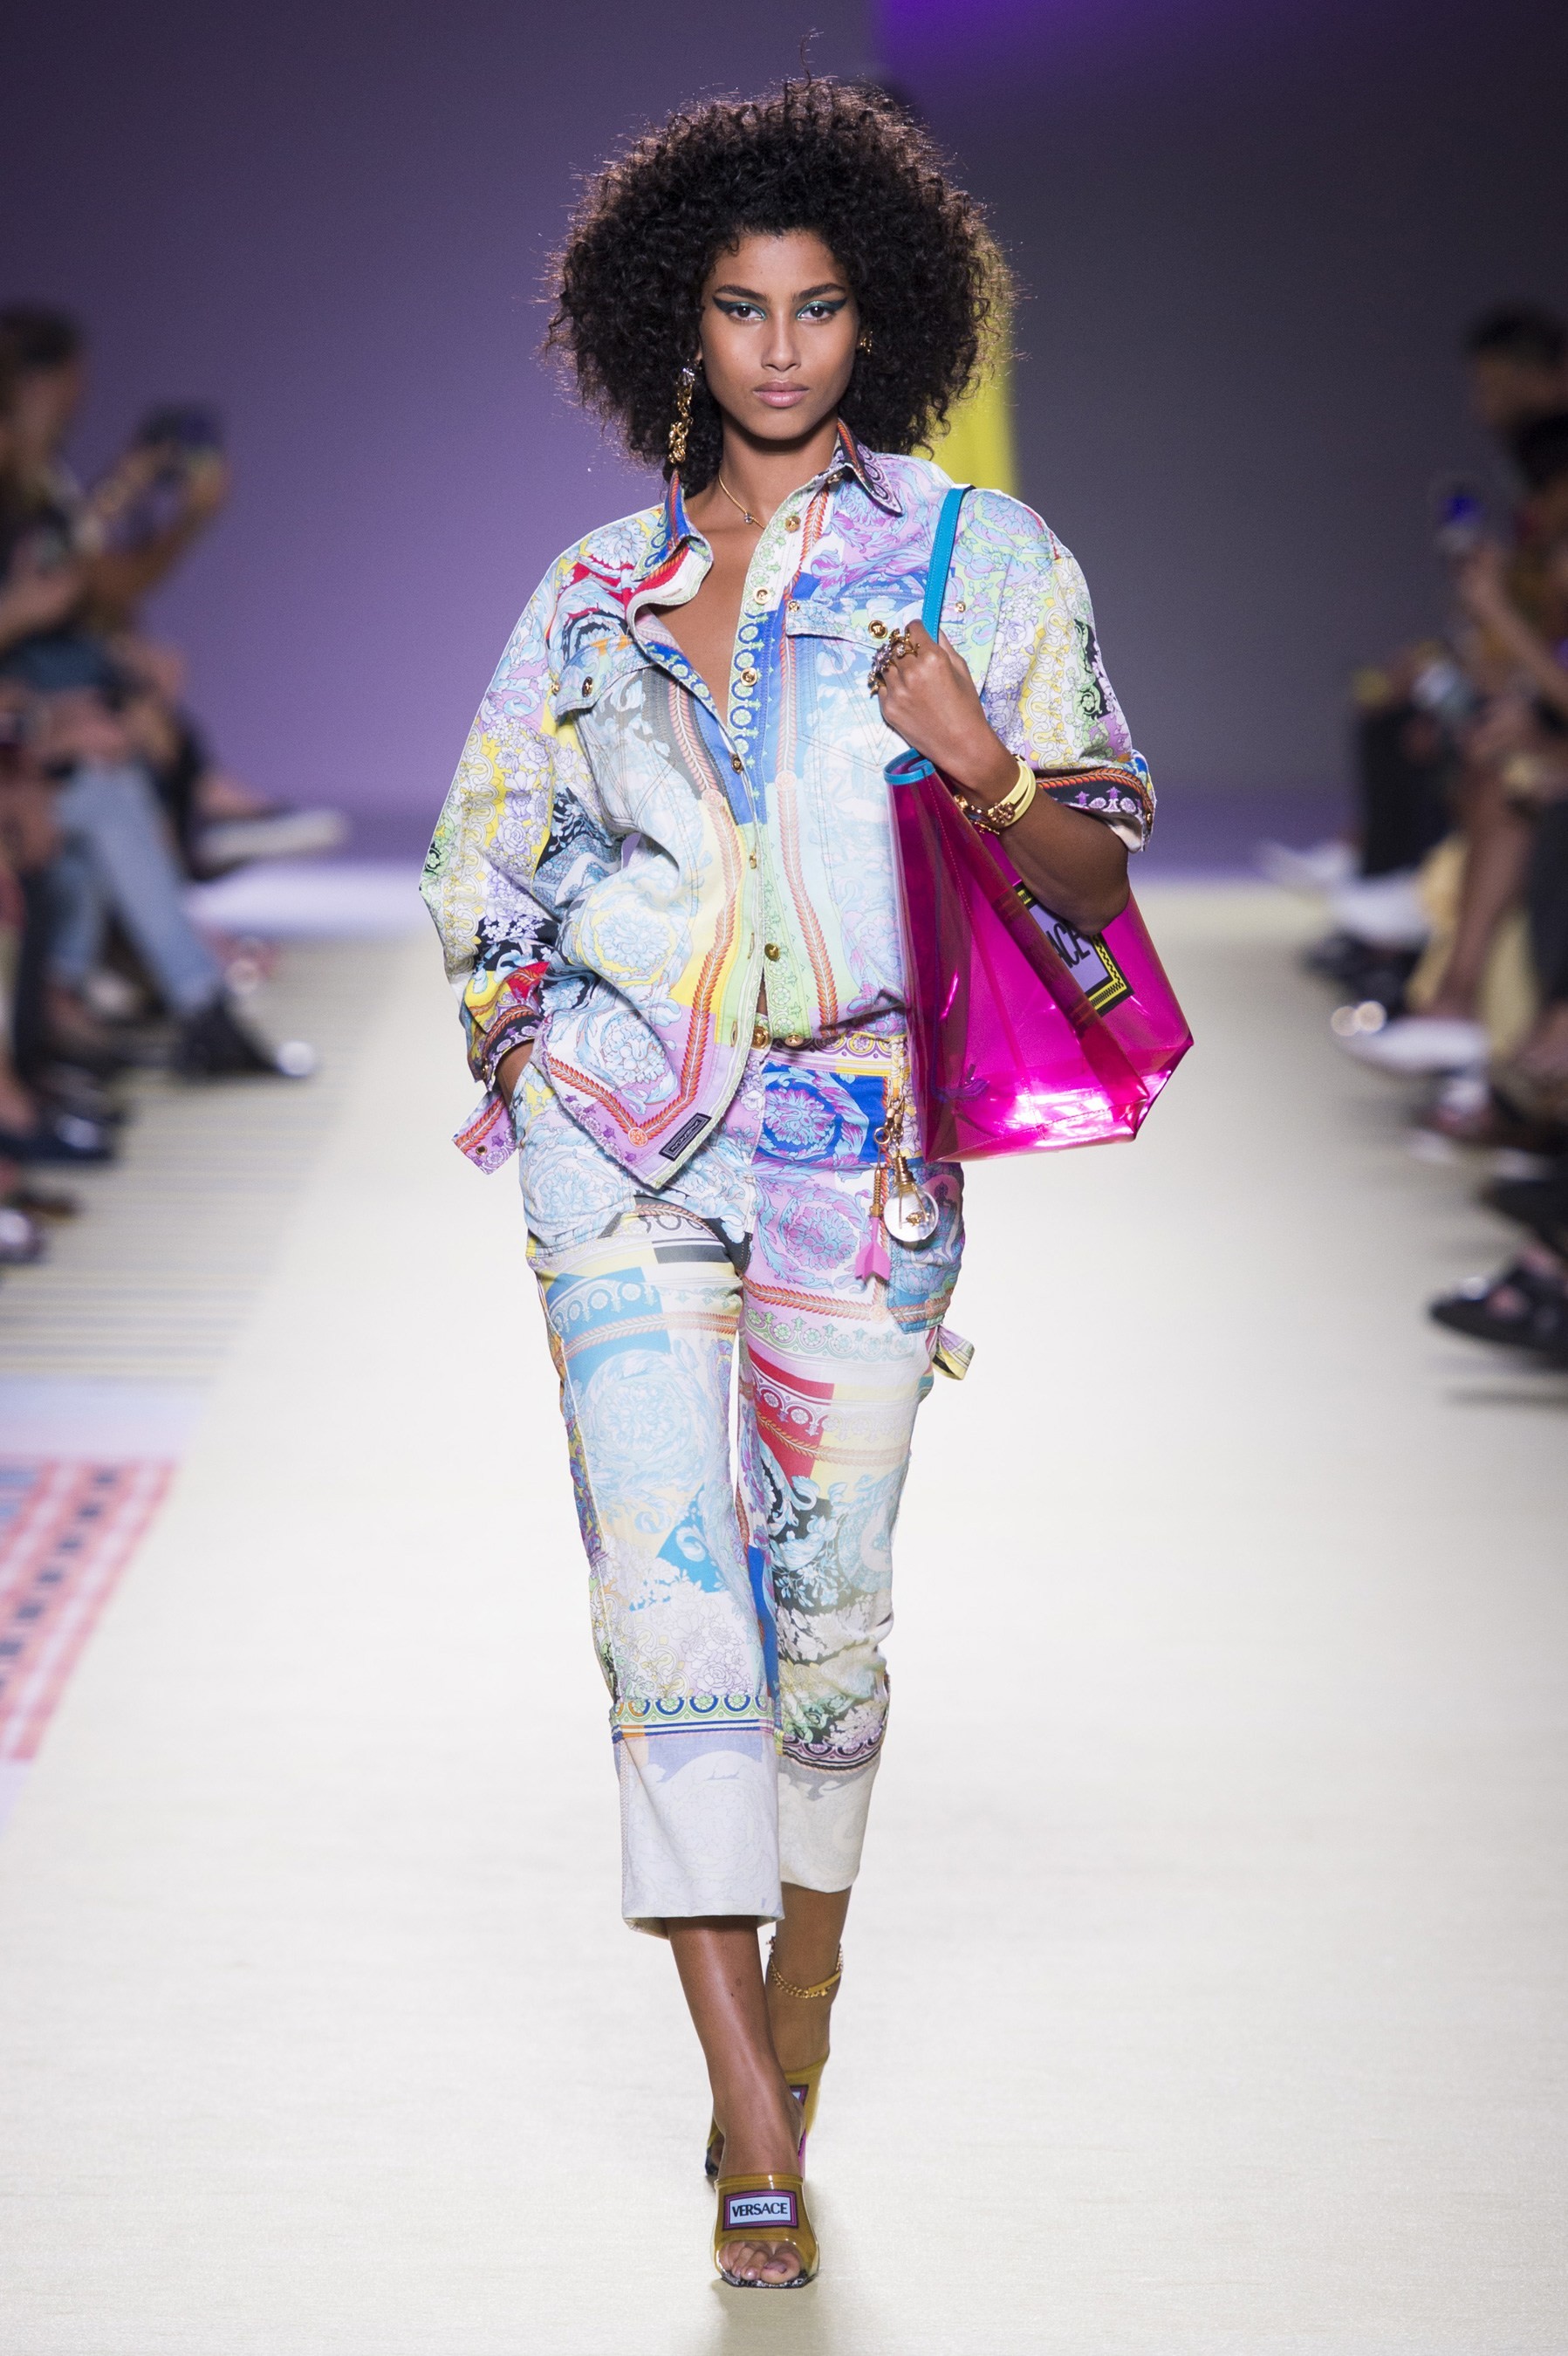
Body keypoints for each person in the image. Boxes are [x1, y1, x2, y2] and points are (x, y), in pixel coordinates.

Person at [422, 80, 1151, 2290]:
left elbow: (1091, 874)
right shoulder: (594, 592)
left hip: (861, 1148)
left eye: (815, 308)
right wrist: (539, 1050)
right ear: (678, 320)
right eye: (737, 309)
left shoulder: (979, 566)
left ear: (874, 319)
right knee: (670, 1620)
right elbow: (482, 863)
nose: (773, 350)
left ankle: (800, 1994)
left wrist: (981, 759)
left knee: (824, 1626)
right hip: (624, 1150)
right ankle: (753, 2114)